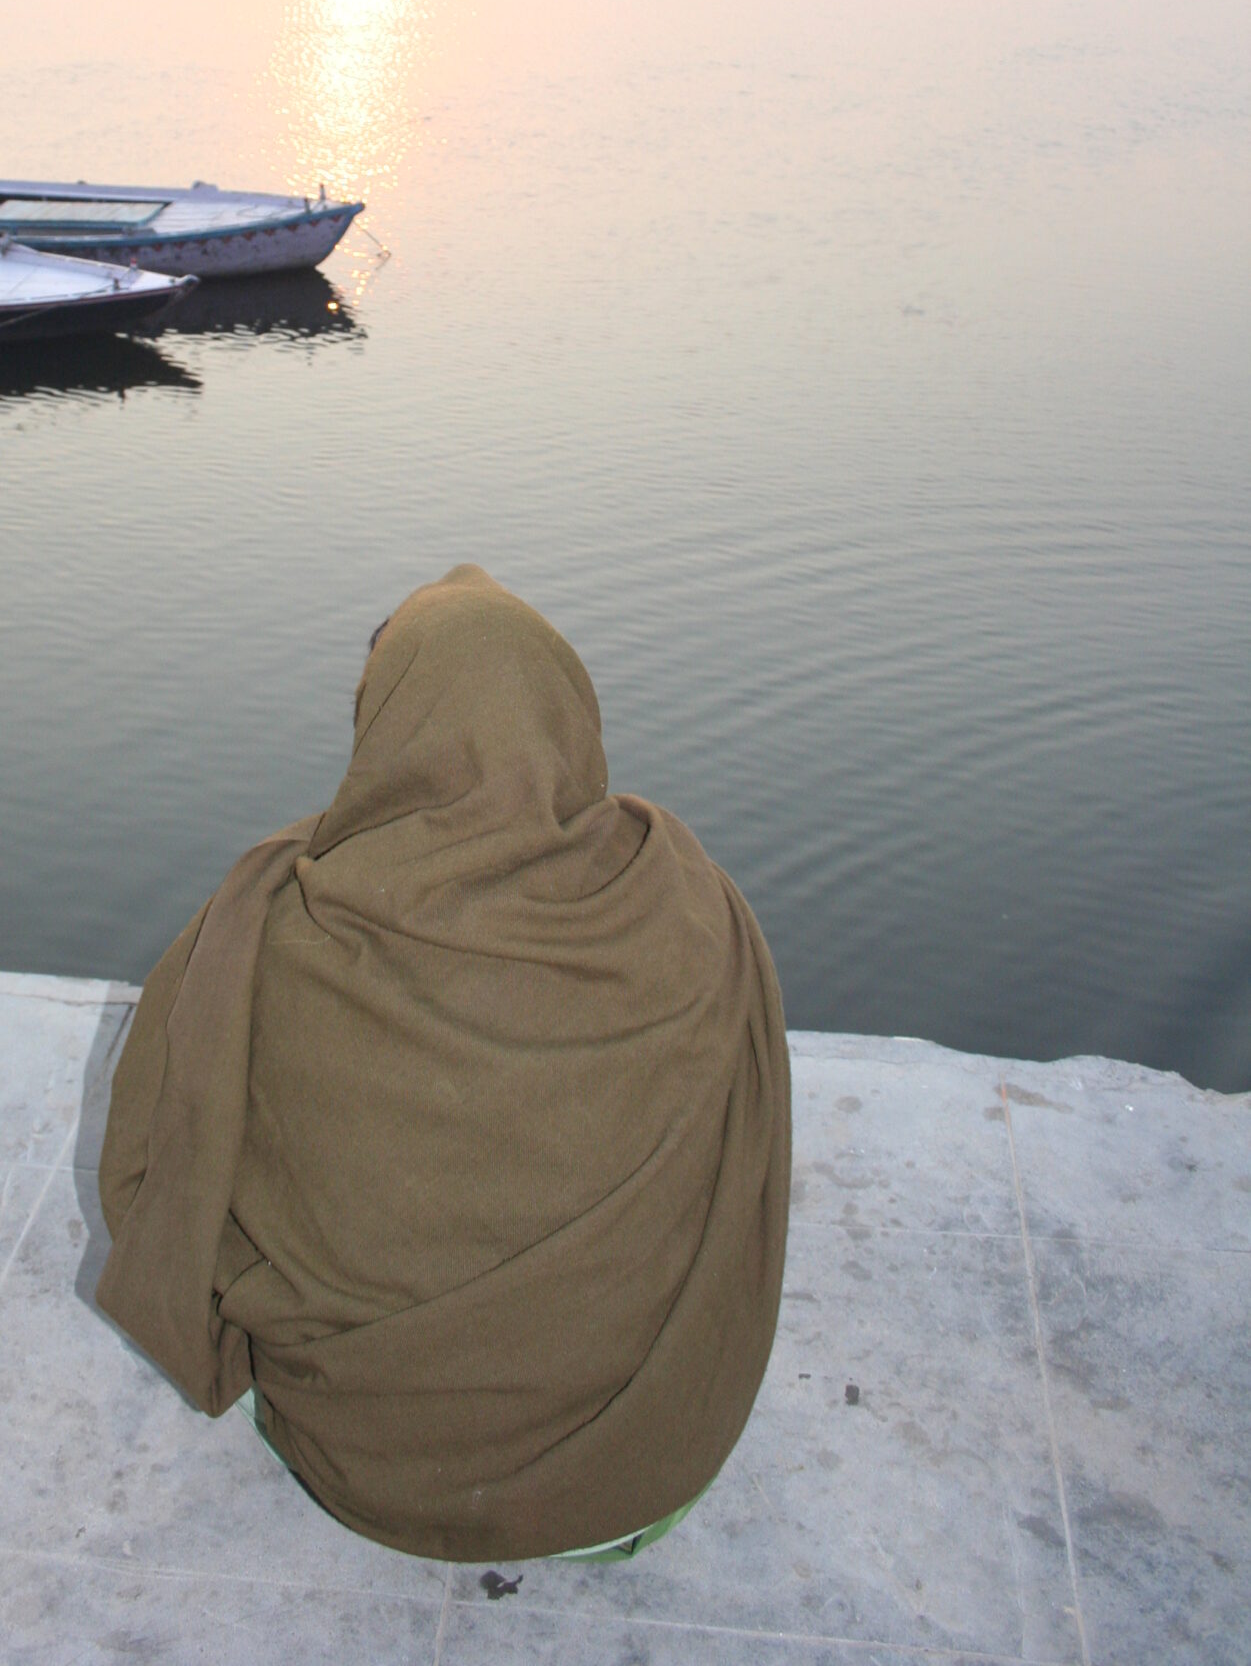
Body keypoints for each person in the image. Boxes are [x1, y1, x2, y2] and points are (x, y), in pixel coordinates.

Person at [96, 563, 790, 1562]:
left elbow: (163, 1171)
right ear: (567, 716)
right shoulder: (689, 901)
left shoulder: (277, 927)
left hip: (371, 1479)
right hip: (642, 1476)